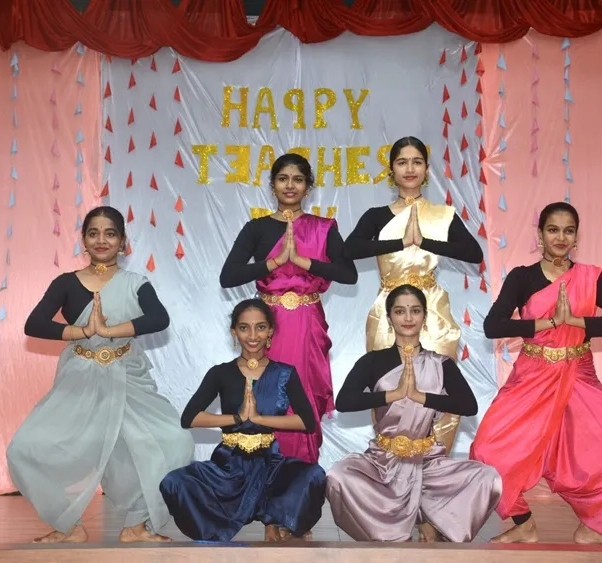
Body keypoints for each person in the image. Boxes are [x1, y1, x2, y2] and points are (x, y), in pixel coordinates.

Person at [470, 201, 602, 545]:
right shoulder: (522, 277)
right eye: (553, 230)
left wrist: (576, 321)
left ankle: (595, 527)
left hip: (578, 376)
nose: (561, 237)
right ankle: (524, 524)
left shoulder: (591, 277)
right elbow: (493, 326)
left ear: (576, 237)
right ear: (540, 234)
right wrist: (549, 322)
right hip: (531, 377)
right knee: (486, 451)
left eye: (568, 231)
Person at [7, 206, 194, 544]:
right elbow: (34, 324)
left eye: (110, 233)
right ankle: (68, 525)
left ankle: (137, 525)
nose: (101, 240)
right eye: (93, 233)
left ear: (123, 241)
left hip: (128, 377)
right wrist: (83, 333)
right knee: (25, 448)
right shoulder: (66, 283)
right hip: (80, 379)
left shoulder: (135, 284)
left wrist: (109, 331)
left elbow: (159, 319)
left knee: (176, 442)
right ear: (84, 240)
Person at [326, 284, 501, 542]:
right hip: (383, 463)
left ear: (424, 317)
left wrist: (422, 397)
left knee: (487, 478)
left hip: (427, 462)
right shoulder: (373, 361)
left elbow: (469, 406)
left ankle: (432, 522)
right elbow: (344, 402)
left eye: (415, 311)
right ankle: (391, 530)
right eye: (400, 311)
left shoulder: (440, 363)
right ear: (389, 318)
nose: (408, 318)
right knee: (337, 476)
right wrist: (392, 395)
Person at [345, 136, 483, 454]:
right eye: (402, 162)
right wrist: (401, 242)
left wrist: (424, 242)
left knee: (441, 385)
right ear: (391, 170)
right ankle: (390, 459)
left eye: (417, 162)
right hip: (388, 308)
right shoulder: (376, 215)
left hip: (432, 307)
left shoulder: (442, 215)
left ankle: (436, 460)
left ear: (426, 169)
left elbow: (474, 254)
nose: (410, 168)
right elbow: (349, 249)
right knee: (386, 383)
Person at [220, 153, 357, 463]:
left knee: (304, 394)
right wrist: (276, 262)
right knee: (268, 393)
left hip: (308, 324)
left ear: (308, 187)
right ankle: (262, 471)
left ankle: (302, 472)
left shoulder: (323, 228)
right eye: (283, 179)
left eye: (298, 179)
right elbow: (228, 277)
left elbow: (349, 275)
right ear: (272, 185)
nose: (290, 185)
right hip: (268, 327)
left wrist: (303, 262)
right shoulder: (257, 228)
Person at [159, 299, 326, 542]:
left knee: (314, 476)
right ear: (234, 332)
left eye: (260, 327)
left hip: (270, 462)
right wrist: (237, 418)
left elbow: (307, 422)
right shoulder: (221, 373)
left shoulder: (285, 373)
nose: (253, 336)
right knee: (175, 482)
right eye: (244, 328)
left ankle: (273, 520)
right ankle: (224, 525)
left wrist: (259, 418)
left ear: (270, 331)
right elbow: (189, 418)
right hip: (229, 464)